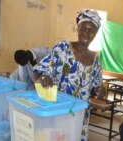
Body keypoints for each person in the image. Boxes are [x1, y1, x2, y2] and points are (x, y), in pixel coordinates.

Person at [32, 9, 103, 141]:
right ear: (78, 28)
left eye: (91, 30)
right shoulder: (62, 48)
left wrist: (99, 91)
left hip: (80, 116)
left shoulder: (96, 59)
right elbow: (36, 73)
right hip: (58, 112)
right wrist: (42, 78)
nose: (86, 33)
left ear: (96, 33)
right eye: (83, 28)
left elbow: (95, 88)